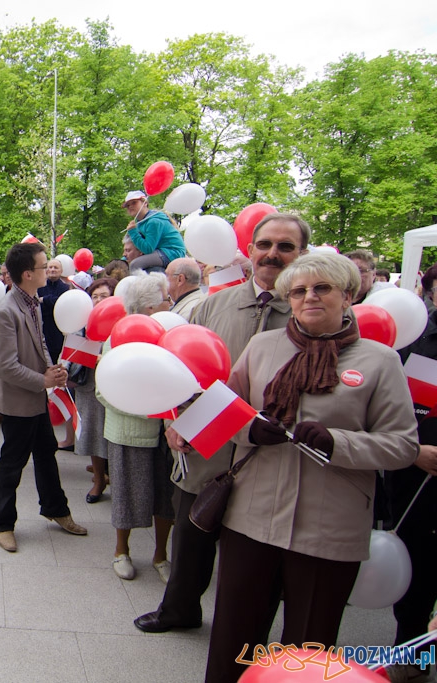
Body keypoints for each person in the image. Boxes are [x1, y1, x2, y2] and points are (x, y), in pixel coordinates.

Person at [204, 252, 419, 683]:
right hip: (253, 517)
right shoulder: (263, 346)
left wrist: (338, 442)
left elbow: (403, 446)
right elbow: (222, 412)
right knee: (234, 636)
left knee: (308, 647)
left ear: (348, 295)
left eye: (322, 288)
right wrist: (250, 429)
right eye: (298, 291)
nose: (309, 298)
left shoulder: (380, 361)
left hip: (330, 527)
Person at [135, 212, 308, 636]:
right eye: (265, 245)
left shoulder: (309, 313)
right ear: (250, 250)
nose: (273, 254)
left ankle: (249, 630)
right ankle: (178, 608)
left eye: (286, 247)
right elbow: (180, 370)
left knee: (254, 551)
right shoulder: (215, 304)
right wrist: (175, 422)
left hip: (271, 453)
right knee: (192, 533)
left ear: (301, 253)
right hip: (207, 440)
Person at [0, 243, 87, 552]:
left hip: (35, 396)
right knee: (12, 463)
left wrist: (51, 368)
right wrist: (42, 379)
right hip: (18, 401)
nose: (49, 270)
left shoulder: (31, 300)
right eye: (44, 266)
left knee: (46, 453)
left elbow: (41, 341)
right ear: (28, 274)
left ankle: (56, 508)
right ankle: (2, 524)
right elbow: (4, 365)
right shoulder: (5, 311)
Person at [97, 273, 175, 582]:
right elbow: (104, 389)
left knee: (165, 495)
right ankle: (121, 551)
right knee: (127, 493)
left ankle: (161, 555)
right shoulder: (117, 337)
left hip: (167, 431)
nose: (171, 303)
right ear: (149, 307)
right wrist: (149, 412)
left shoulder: (170, 332)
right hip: (129, 429)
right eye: (165, 299)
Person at [387, 290, 437, 669]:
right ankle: (413, 658)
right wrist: (413, 451)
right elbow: (385, 412)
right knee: (417, 578)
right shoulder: (417, 340)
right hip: (417, 482)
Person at [76, 277, 117, 504]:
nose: (99, 300)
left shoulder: (122, 320)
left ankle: (116, 477)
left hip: (115, 386)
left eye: (104, 296)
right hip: (89, 382)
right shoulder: (83, 319)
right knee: (93, 430)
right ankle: (99, 479)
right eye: (95, 296)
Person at [122, 190, 186, 272]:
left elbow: (148, 249)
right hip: (161, 251)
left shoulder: (153, 221)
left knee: (135, 264)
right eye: (127, 205)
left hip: (172, 252)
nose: (130, 206)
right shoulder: (140, 223)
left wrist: (133, 232)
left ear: (145, 203)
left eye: (134, 203)